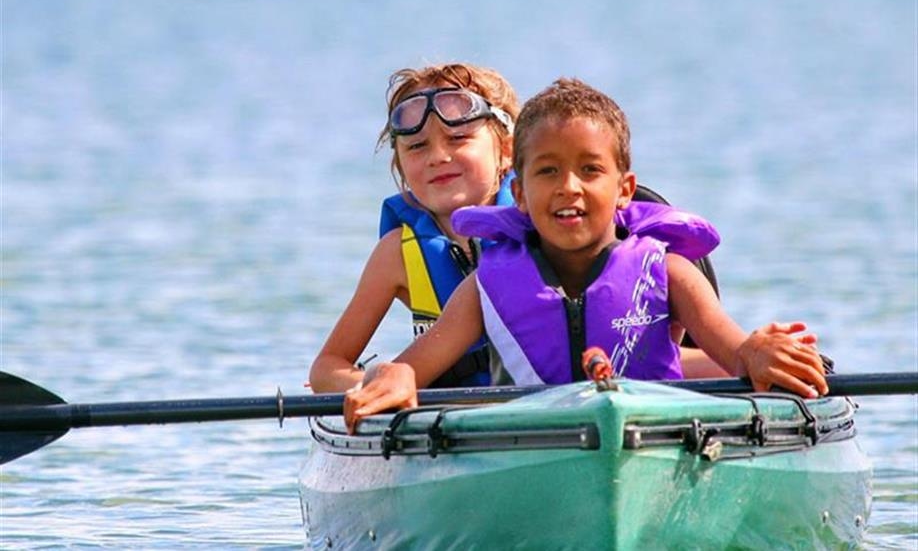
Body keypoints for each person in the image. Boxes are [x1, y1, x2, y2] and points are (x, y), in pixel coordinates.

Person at [343, 78, 826, 432]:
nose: (569, 187)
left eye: (590, 170)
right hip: (526, 452)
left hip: (656, 445)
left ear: (625, 189)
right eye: (548, 171)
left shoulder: (672, 272)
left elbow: (735, 351)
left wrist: (758, 353)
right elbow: (412, 368)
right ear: (520, 194)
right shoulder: (483, 288)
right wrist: (390, 378)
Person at [309, 64, 725, 393]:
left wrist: (744, 356)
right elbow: (327, 368)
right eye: (417, 147)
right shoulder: (398, 254)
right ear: (399, 165)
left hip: (574, 387)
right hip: (454, 417)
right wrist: (382, 383)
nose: (437, 156)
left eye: (458, 138)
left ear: (508, 152)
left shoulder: (558, 228)